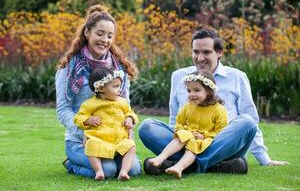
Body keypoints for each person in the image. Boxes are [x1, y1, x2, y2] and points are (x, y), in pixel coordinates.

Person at [139, 27, 289, 175]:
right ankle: (210, 165)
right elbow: (174, 119)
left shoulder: (237, 77)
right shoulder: (179, 76)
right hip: (187, 141)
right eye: (196, 52)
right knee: (147, 126)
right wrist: (180, 140)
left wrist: (265, 159)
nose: (200, 57)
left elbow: (251, 122)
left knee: (247, 121)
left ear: (219, 53)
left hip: (222, 145)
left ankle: (189, 164)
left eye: (206, 52)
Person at [55, 4, 141, 179]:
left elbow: (125, 105)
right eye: (100, 34)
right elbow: (63, 109)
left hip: (114, 138)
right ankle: (72, 164)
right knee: (108, 171)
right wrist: (86, 132)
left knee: (133, 170)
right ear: (87, 33)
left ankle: (107, 164)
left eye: (110, 36)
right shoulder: (69, 68)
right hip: (81, 140)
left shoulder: (119, 69)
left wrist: (128, 122)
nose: (105, 40)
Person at [149, 71, 228, 178]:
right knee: (182, 135)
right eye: (189, 90)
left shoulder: (219, 110)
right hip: (187, 136)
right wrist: (184, 131)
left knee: (192, 145)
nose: (191, 94)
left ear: (209, 92)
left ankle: (179, 167)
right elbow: (179, 123)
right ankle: (161, 157)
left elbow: (221, 133)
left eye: (196, 90)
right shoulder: (188, 107)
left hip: (205, 141)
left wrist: (204, 136)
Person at [74, 68, 138, 180]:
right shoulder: (90, 104)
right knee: (91, 145)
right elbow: (78, 118)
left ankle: (123, 172)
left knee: (131, 147)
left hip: (120, 140)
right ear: (101, 88)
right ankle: (98, 171)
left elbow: (130, 112)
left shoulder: (122, 102)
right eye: (115, 86)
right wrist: (88, 120)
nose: (119, 90)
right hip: (100, 140)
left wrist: (129, 118)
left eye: (119, 86)